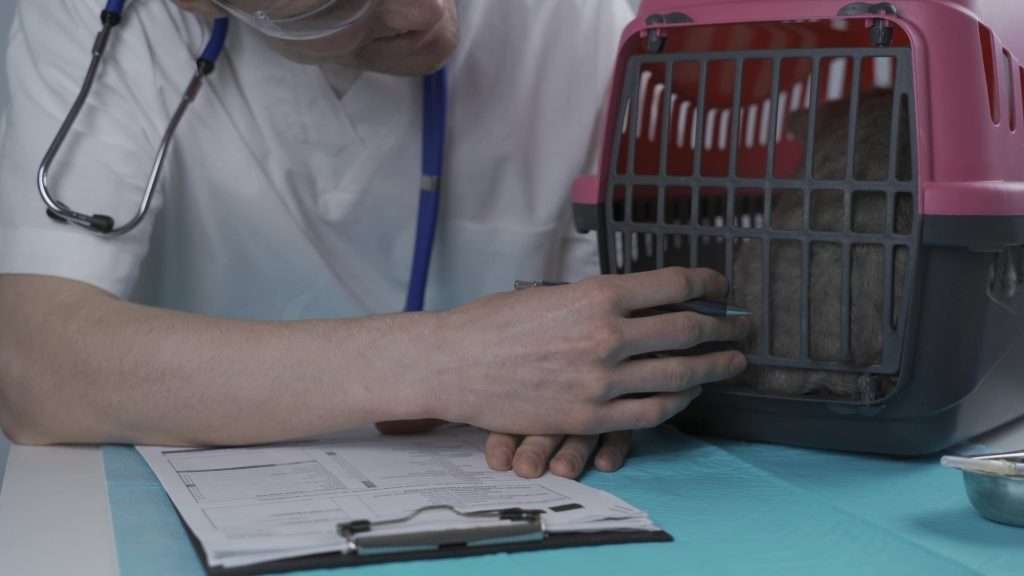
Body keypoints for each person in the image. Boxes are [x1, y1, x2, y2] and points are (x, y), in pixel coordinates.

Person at [0, 0, 749, 480]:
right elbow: (36, 366)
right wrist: (452, 361)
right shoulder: (99, 19)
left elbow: (615, 323)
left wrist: (599, 388)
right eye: (333, 4)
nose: (424, 12)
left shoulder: (583, 24)